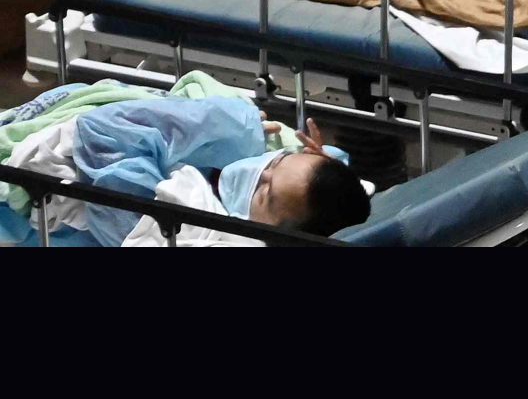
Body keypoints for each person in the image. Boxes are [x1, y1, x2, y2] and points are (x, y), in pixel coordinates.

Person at [1, 85, 369, 247]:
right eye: (277, 163)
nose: (259, 171)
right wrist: (319, 159)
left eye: (264, 191)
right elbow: (339, 182)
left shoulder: (179, 225)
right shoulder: (281, 162)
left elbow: (100, 136)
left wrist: (222, 122)